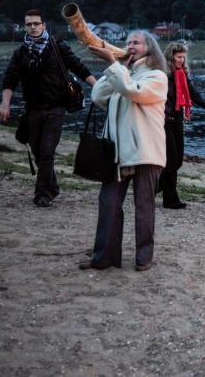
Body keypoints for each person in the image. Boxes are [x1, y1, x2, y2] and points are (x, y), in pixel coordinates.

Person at [79, 31, 168, 272]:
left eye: (136, 42)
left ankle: (144, 257)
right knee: (108, 202)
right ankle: (104, 257)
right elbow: (98, 95)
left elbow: (134, 92)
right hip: (117, 152)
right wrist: (116, 67)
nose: (130, 46)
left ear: (149, 48)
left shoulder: (157, 76)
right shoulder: (123, 73)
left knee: (144, 205)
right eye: (128, 42)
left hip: (145, 151)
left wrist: (113, 65)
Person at [0, 9, 96, 208]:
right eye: (29, 24)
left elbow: (80, 68)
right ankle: (52, 186)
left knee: (47, 151)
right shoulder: (20, 53)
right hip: (32, 109)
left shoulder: (58, 47)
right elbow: (9, 80)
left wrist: (100, 88)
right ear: (25, 26)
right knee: (37, 151)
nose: (33, 27)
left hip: (56, 108)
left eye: (36, 23)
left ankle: (42, 194)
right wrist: (5, 104)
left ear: (44, 25)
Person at [159, 42, 205, 209]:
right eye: (179, 56)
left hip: (178, 121)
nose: (182, 59)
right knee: (171, 162)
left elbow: (195, 96)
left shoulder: (182, 75)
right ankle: (170, 200)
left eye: (183, 56)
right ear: (170, 57)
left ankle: (153, 187)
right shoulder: (162, 75)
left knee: (178, 161)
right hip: (164, 121)